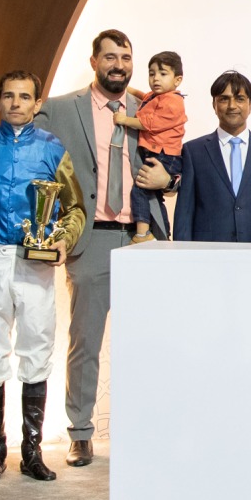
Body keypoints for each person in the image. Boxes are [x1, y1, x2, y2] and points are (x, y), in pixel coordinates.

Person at [34, 28, 174, 467]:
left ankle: (148, 428)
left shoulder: (151, 107)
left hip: (143, 237)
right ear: (94, 61)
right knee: (85, 341)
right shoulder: (58, 110)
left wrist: (171, 180)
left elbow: (174, 155)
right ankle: (79, 431)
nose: (119, 65)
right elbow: (25, 156)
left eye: (126, 57)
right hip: (91, 237)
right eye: (110, 57)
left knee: (149, 341)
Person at [0, 71, 85, 483]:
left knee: (37, 348)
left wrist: (63, 242)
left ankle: (31, 452)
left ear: (37, 104)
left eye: (25, 97)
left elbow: (74, 209)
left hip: (35, 260)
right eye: (9, 96)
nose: (16, 103)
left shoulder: (53, 149)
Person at [173, 71, 251, 243]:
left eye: (239, 99)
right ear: (214, 105)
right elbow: (185, 212)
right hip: (207, 255)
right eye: (224, 99)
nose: (232, 105)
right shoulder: (193, 151)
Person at [113, 51, 187, 243]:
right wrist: (129, 90)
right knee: (154, 197)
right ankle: (163, 235)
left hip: (164, 156)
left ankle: (142, 233)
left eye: (163, 74)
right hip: (158, 153)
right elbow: (144, 96)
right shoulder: (158, 96)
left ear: (177, 79)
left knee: (140, 189)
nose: (156, 78)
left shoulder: (173, 101)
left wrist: (124, 120)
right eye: (152, 73)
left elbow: (150, 123)